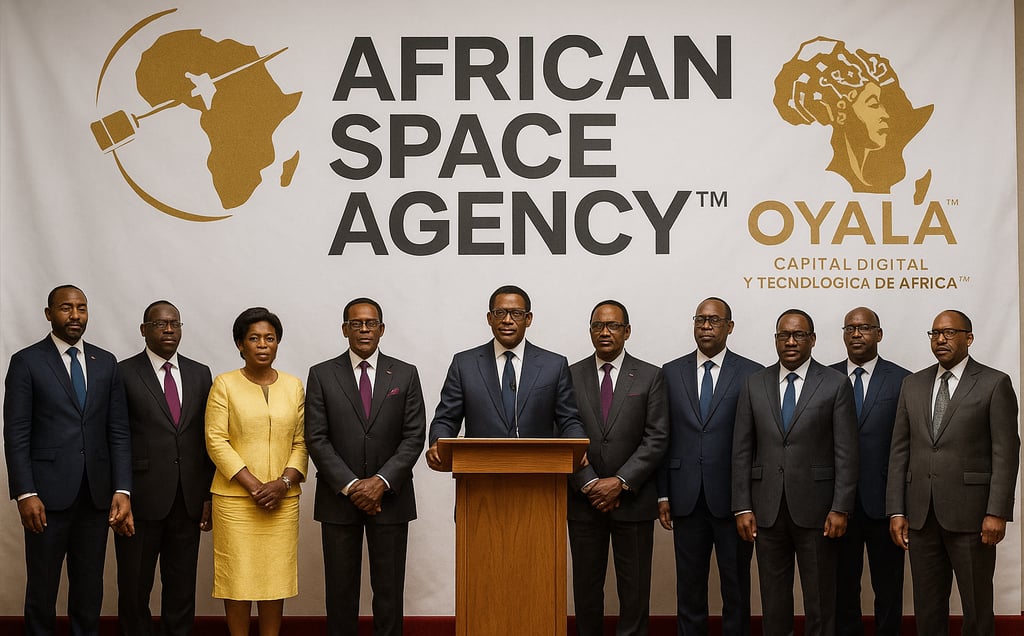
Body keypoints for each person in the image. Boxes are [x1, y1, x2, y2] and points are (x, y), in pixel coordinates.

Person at [3, 284, 132, 635]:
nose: (75, 315)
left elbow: (118, 431)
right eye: (66, 308)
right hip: (45, 497)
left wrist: (122, 489)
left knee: (89, 588)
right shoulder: (27, 361)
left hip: (95, 495)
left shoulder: (105, 362)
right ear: (49, 314)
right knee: (42, 588)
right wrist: (25, 493)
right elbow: (16, 433)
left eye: (81, 308)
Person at [886, 310, 1019, 636]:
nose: (940, 339)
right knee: (928, 608)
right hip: (921, 517)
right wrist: (896, 510)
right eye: (935, 333)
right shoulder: (912, 384)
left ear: (968, 338)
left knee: (976, 606)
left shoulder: (994, 383)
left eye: (949, 332)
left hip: (973, 517)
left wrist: (996, 512)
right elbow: (899, 451)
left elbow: (1005, 453)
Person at [731, 308, 858, 636]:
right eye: (783, 335)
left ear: (812, 339)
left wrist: (841, 507)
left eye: (798, 335)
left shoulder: (835, 384)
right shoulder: (754, 384)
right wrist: (742, 506)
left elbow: (846, 452)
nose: (790, 341)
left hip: (819, 511)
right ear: (776, 340)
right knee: (773, 601)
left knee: (820, 600)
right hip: (766, 509)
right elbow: (742, 450)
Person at [305, 298, 426, 636]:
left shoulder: (405, 373)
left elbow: (414, 436)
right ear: (344, 329)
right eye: (356, 323)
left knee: (389, 592)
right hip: (338, 500)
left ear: (381, 329)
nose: (363, 329)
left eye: (370, 323)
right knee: (340, 592)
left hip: (391, 498)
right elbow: (316, 437)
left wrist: (380, 482)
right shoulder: (321, 374)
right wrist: (353, 486)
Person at [657, 297, 763, 636]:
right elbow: (662, 436)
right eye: (700, 319)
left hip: (733, 501)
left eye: (714, 320)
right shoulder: (670, 372)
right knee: (689, 588)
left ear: (729, 327)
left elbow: (758, 442)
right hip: (685, 497)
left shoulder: (752, 374)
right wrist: (662, 494)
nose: (705, 326)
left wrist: (749, 500)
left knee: (736, 588)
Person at [567, 300, 668, 636]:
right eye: (598, 325)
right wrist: (589, 483)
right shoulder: (570, 375)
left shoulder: (651, 375)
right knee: (586, 590)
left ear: (627, 331)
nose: (605, 332)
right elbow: (563, 431)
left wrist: (620, 481)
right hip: (584, 502)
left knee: (634, 591)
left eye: (613, 325)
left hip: (633, 501)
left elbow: (657, 437)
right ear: (590, 331)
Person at [205, 307, 307, 636]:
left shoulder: (293, 386)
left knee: (274, 579)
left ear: (277, 343)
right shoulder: (224, 384)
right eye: (254, 338)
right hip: (235, 501)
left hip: (282, 500)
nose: (263, 344)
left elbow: (301, 442)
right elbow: (216, 440)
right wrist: (253, 485)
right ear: (240, 344)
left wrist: (283, 483)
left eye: (270, 338)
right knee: (237, 579)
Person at [114, 300, 214, 636]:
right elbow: (116, 436)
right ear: (144, 330)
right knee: (134, 586)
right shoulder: (123, 373)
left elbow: (206, 438)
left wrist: (207, 495)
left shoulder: (200, 373)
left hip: (187, 499)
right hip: (140, 499)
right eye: (160, 324)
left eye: (174, 323)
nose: (169, 329)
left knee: (182, 587)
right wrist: (121, 492)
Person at [425, 284, 584, 468]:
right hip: (479, 471)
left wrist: (578, 446)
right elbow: (446, 419)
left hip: (538, 471)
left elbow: (569, 419)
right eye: (500, 313)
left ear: (528, 319)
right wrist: (438, 444)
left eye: (516, 313)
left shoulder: (554, 365)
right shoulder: (464, 364)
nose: (507, 320)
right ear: (489, 318)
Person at [829, 308, 909, 636]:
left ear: (879, 333)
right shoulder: (825, 378)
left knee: (888, 588)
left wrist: (900, 506)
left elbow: (907, 445)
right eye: (850, 328)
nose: (856, 333)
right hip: (837, 504)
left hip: (884, 503)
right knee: (842, 587)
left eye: (864, 327)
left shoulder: (903, 380)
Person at [773, 37, 932, 194]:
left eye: (885, 106)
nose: (885, 114)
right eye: (873, 104)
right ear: (842, 112)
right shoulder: (820, 183)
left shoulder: (902, 178)